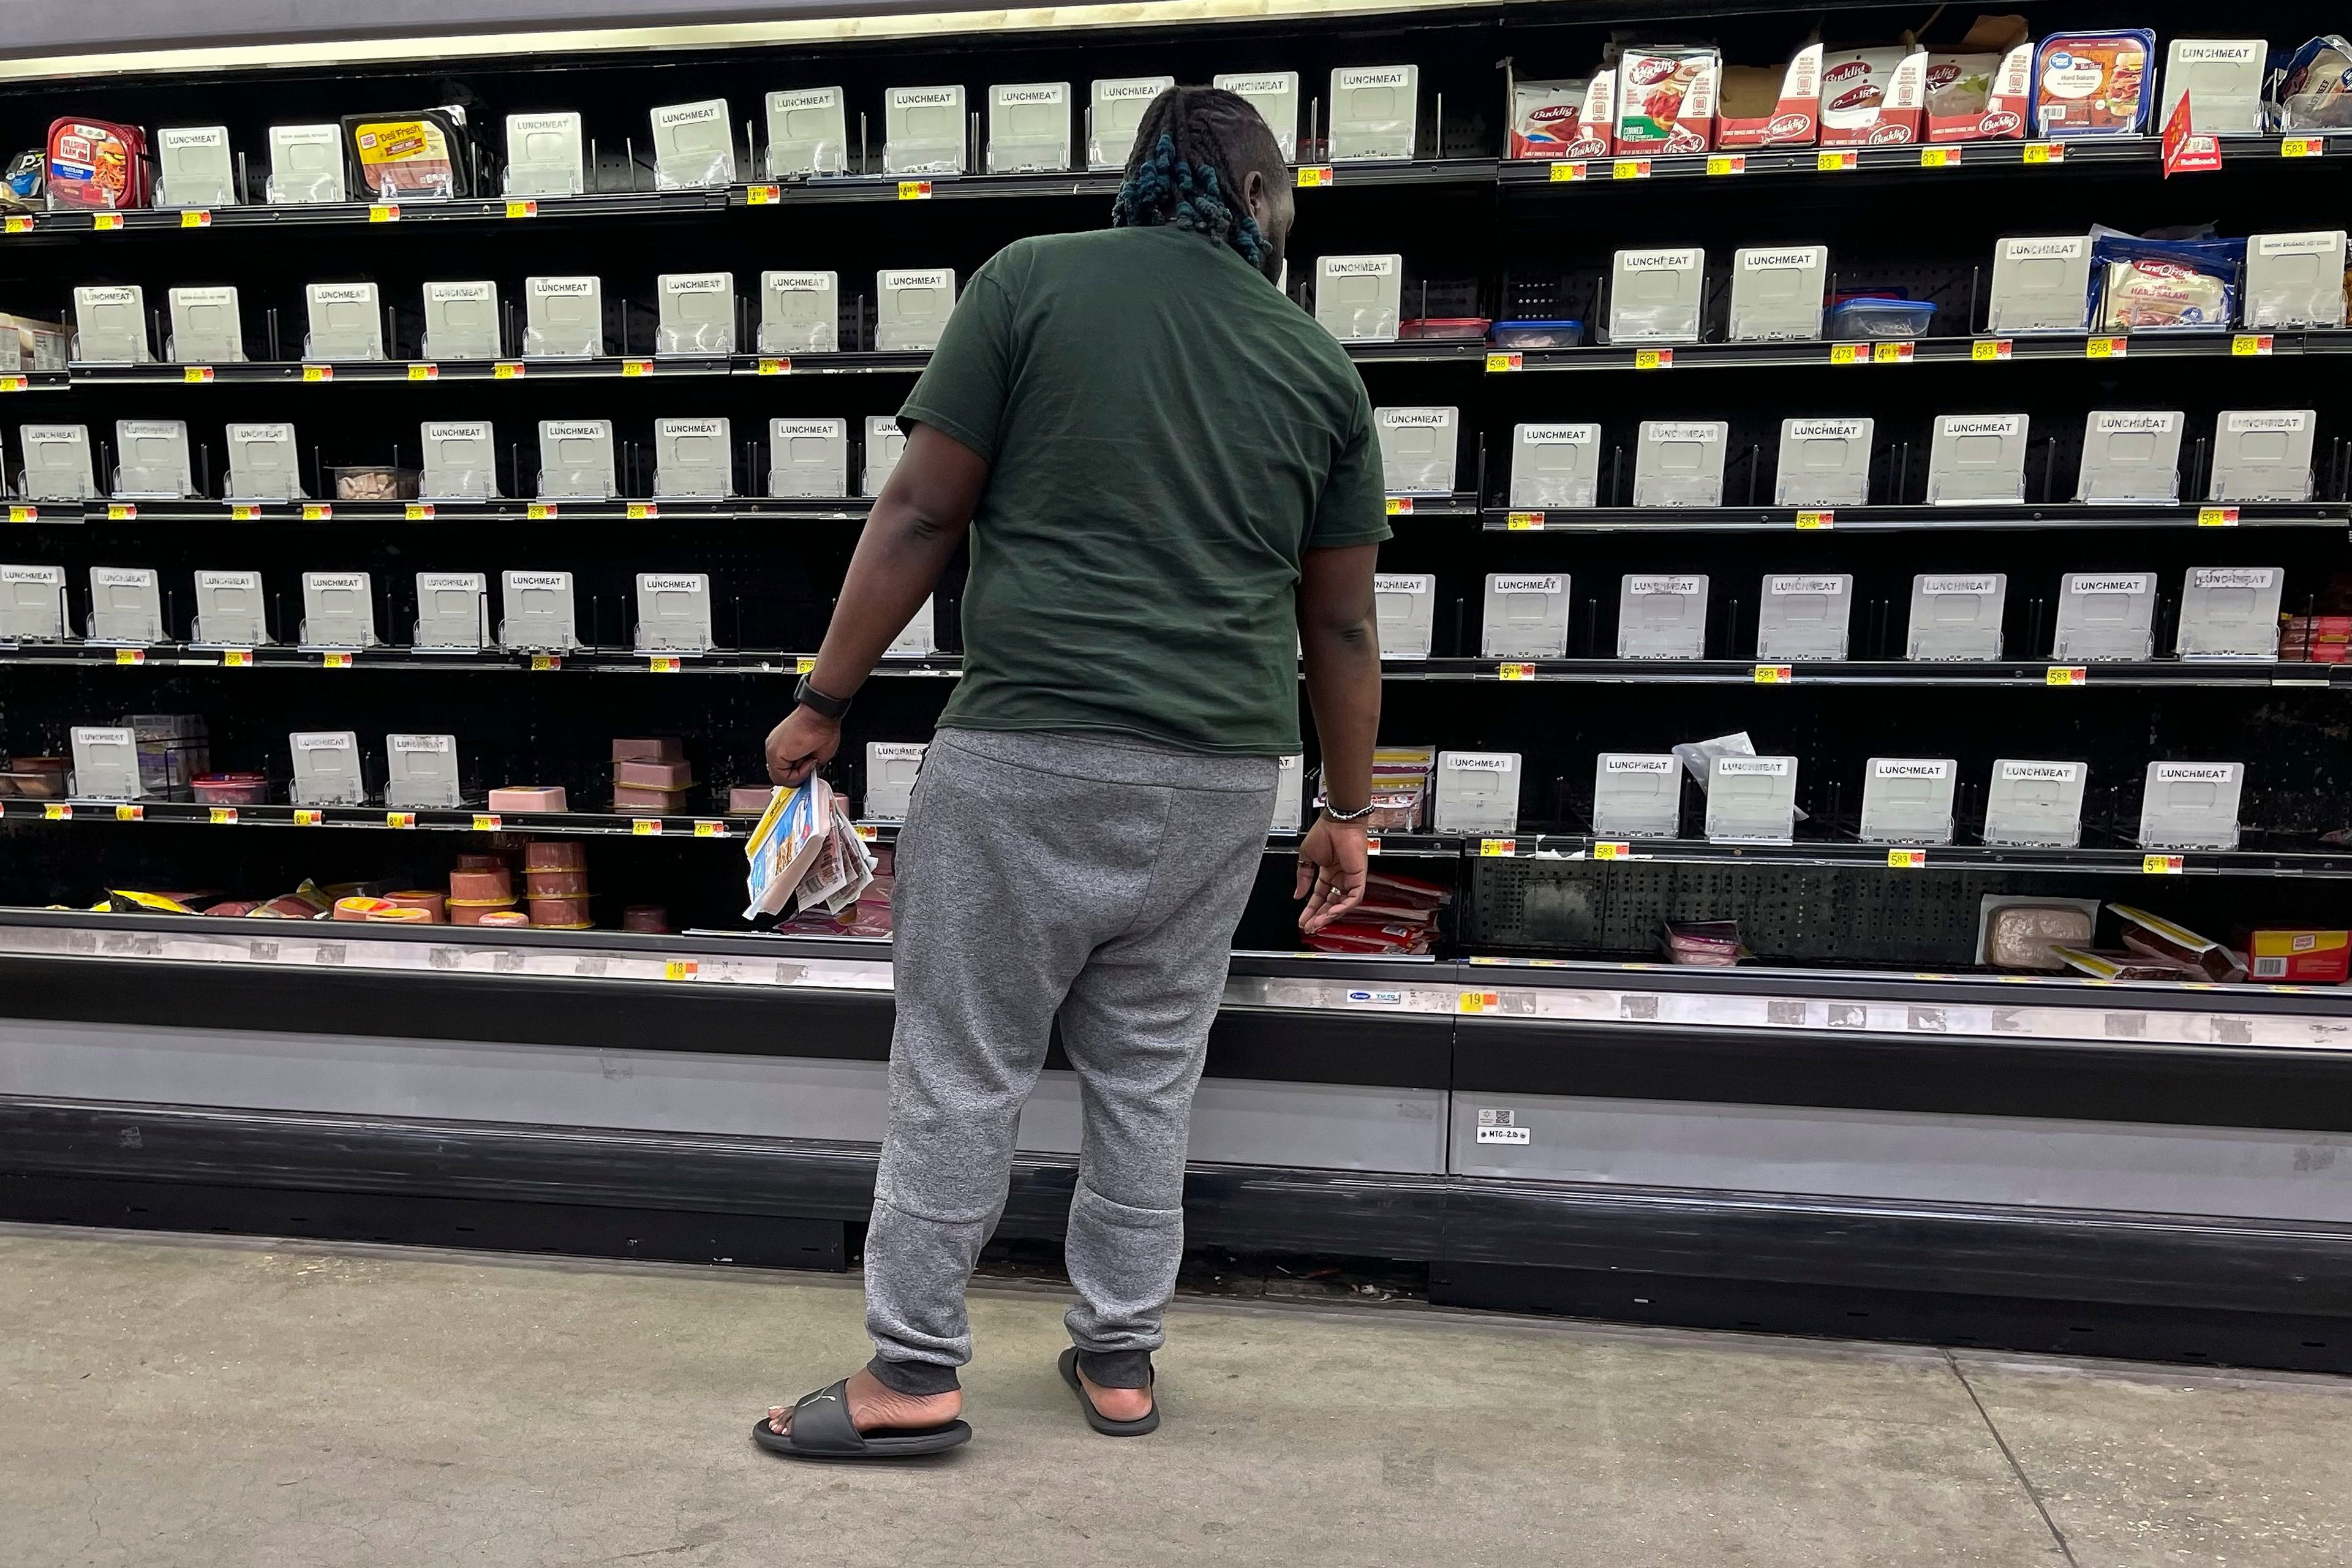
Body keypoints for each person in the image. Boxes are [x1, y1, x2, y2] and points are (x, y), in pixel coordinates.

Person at [752, 85, 1387, 1460]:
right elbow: (1336, 619)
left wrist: (824, 700)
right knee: (1149, 1080)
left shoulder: (1030, 284)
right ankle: (1119, 1349)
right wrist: (1348, 807)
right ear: (1268, 203)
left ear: (1139, 179)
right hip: (1221, 778)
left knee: (961, 1068)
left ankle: (913, 1374)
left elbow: (923, 507)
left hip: (1028, 751)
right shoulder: (1316, 362)